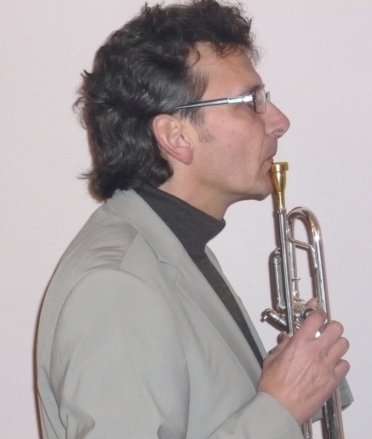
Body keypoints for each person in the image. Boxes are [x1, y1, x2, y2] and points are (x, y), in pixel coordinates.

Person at [36, 1, 352, 438]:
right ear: (175, 136)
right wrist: (279, 407)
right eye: (252, 102)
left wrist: (301, 376)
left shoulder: (174, 249)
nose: (279, 121)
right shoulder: (115, 286)